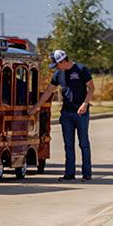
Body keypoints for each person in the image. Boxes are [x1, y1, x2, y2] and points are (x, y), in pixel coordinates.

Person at [31, 49, 94, 181]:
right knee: (68, 144)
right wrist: (36, 107)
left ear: (63, 61)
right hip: (66, 113)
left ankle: (87, 174)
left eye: (57, 64)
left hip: (81, 113)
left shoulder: (81, 69)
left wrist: (85, 104)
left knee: (83, 143)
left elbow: (91, 88)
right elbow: (49, 91)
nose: (56, 67)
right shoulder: (58, 74)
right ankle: (69, 174)